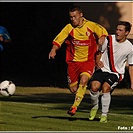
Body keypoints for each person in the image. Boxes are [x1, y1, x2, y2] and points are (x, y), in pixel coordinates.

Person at [48, 5, 108, 116]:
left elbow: (103, 32)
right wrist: (53, 50)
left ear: (81, 15)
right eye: (71, 17)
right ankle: (83, 87)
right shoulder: (68, 28)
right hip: (73, 63)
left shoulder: (90, 25)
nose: (73, 19)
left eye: (75, 16)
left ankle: (74, 107)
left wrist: (102, 37)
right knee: (73, 89)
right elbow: (58, 40)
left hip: (88, 61)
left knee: (84, 80)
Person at [88, 21, 133, 123]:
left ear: (126, 33)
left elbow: (131, 66)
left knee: (105, 88)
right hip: (103, 69)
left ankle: (104, 115)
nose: (117, 32)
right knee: (94, 87)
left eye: (120, 30)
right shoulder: (108, 39)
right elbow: (99, 52)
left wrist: (132, 82)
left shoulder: (130, 47)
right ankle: (95, 106)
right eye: (117, 29)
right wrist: (97, 61)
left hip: (116, 73)